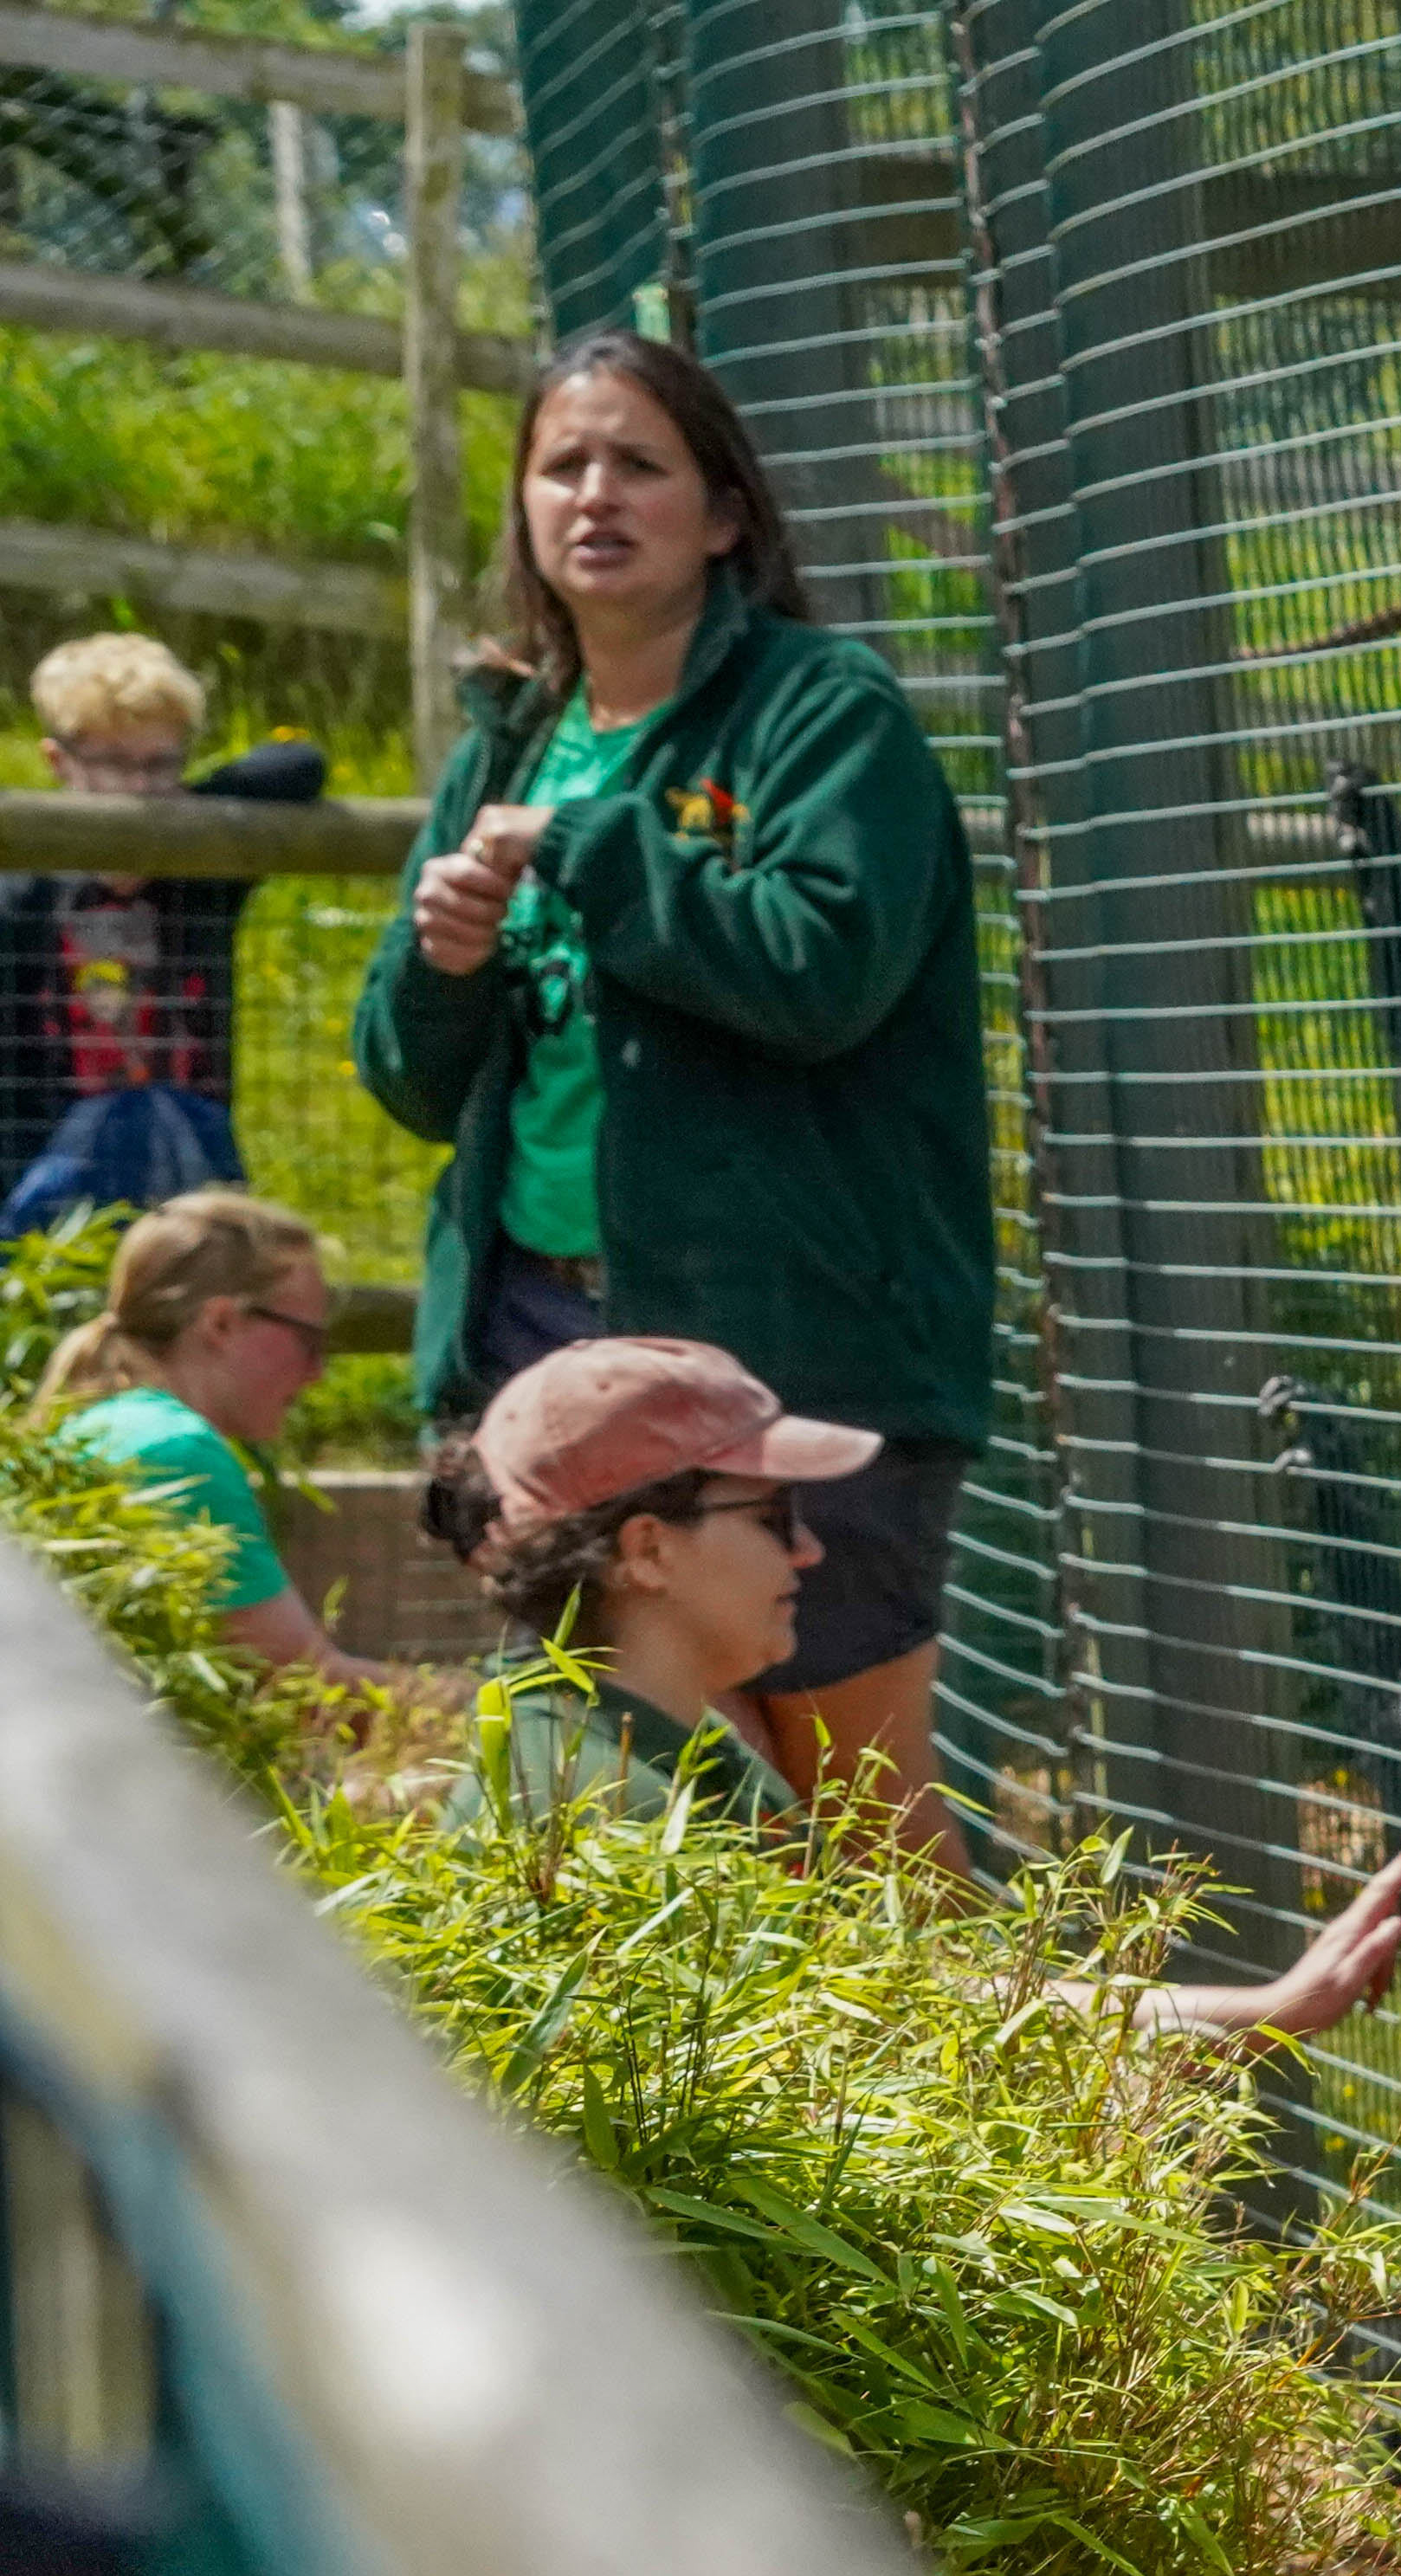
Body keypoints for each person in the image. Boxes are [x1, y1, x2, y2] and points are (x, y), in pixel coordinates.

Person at [354, 331, 991, 1865]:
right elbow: (408, 1076)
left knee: (857, 1814)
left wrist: (595, 843)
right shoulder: (512, 727)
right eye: (562, 463)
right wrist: (443, 962)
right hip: (542, 1347)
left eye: (640, 462)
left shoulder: (823, 712)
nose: (594, 493)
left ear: (724, 515)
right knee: (646, 1804)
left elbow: (823, 971)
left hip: (791, 1347)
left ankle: (1046, 2108)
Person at [422, 1337, 1401, 2041]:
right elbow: (895, 2028)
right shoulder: (615, 1813)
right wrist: (1263, 2011)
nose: (809, 1548)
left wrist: (1270, 2006)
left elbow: (899, 1997)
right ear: (647, 1551)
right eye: (771, 1515)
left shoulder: (624, 1741)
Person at [0, 634, 329, 1230]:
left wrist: (184, 815)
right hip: (47, 1171)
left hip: (189, 1164)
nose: (141, 789)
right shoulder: (23, 892)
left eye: (160, 764)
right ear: (59, 762)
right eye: (116, 764)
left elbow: (299, 764)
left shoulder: (200, 872)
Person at [32, 1190, 385, 1688]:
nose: (318, 1373)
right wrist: (482, 1701)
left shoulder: (98, 1423)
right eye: (309, 1341)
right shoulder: (177, 1452)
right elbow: (305, 1693)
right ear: (220, 1323)